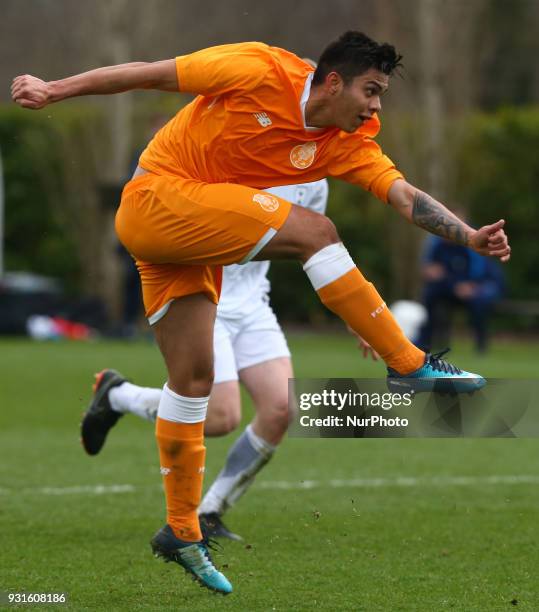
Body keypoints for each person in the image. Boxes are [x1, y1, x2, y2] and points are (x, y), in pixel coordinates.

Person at [12, 31, 511, 595]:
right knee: (316, 233)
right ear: (332, 81)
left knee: (194, 382)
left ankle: (181, 530)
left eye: (383, 94)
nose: (377, 106)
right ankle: (407, 362)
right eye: (370, 90)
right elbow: (149, 73)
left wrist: (468, 236)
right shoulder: (257, 69)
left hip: (183, 245)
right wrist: (54, 90)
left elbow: (400, 194)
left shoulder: (347, 142)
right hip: (156, 198)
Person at [82, 179, 337, 542]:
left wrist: (357, 319)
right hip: (203, 296)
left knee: (280, 409)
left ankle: (211, 510)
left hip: (253, 304)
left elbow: (314, 248)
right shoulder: (233, 150)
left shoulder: (315, 179)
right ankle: (118, 396)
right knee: (221, 417)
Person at [417, 233, 505, 353]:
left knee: (479, 303)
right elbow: (431, 269)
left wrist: (472, 287)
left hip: (474, 289)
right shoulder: (437, 245)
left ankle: (481, 345)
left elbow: (484, 275)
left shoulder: (471, 246)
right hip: (450, 288)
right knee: (431, 295)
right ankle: (424, 343)